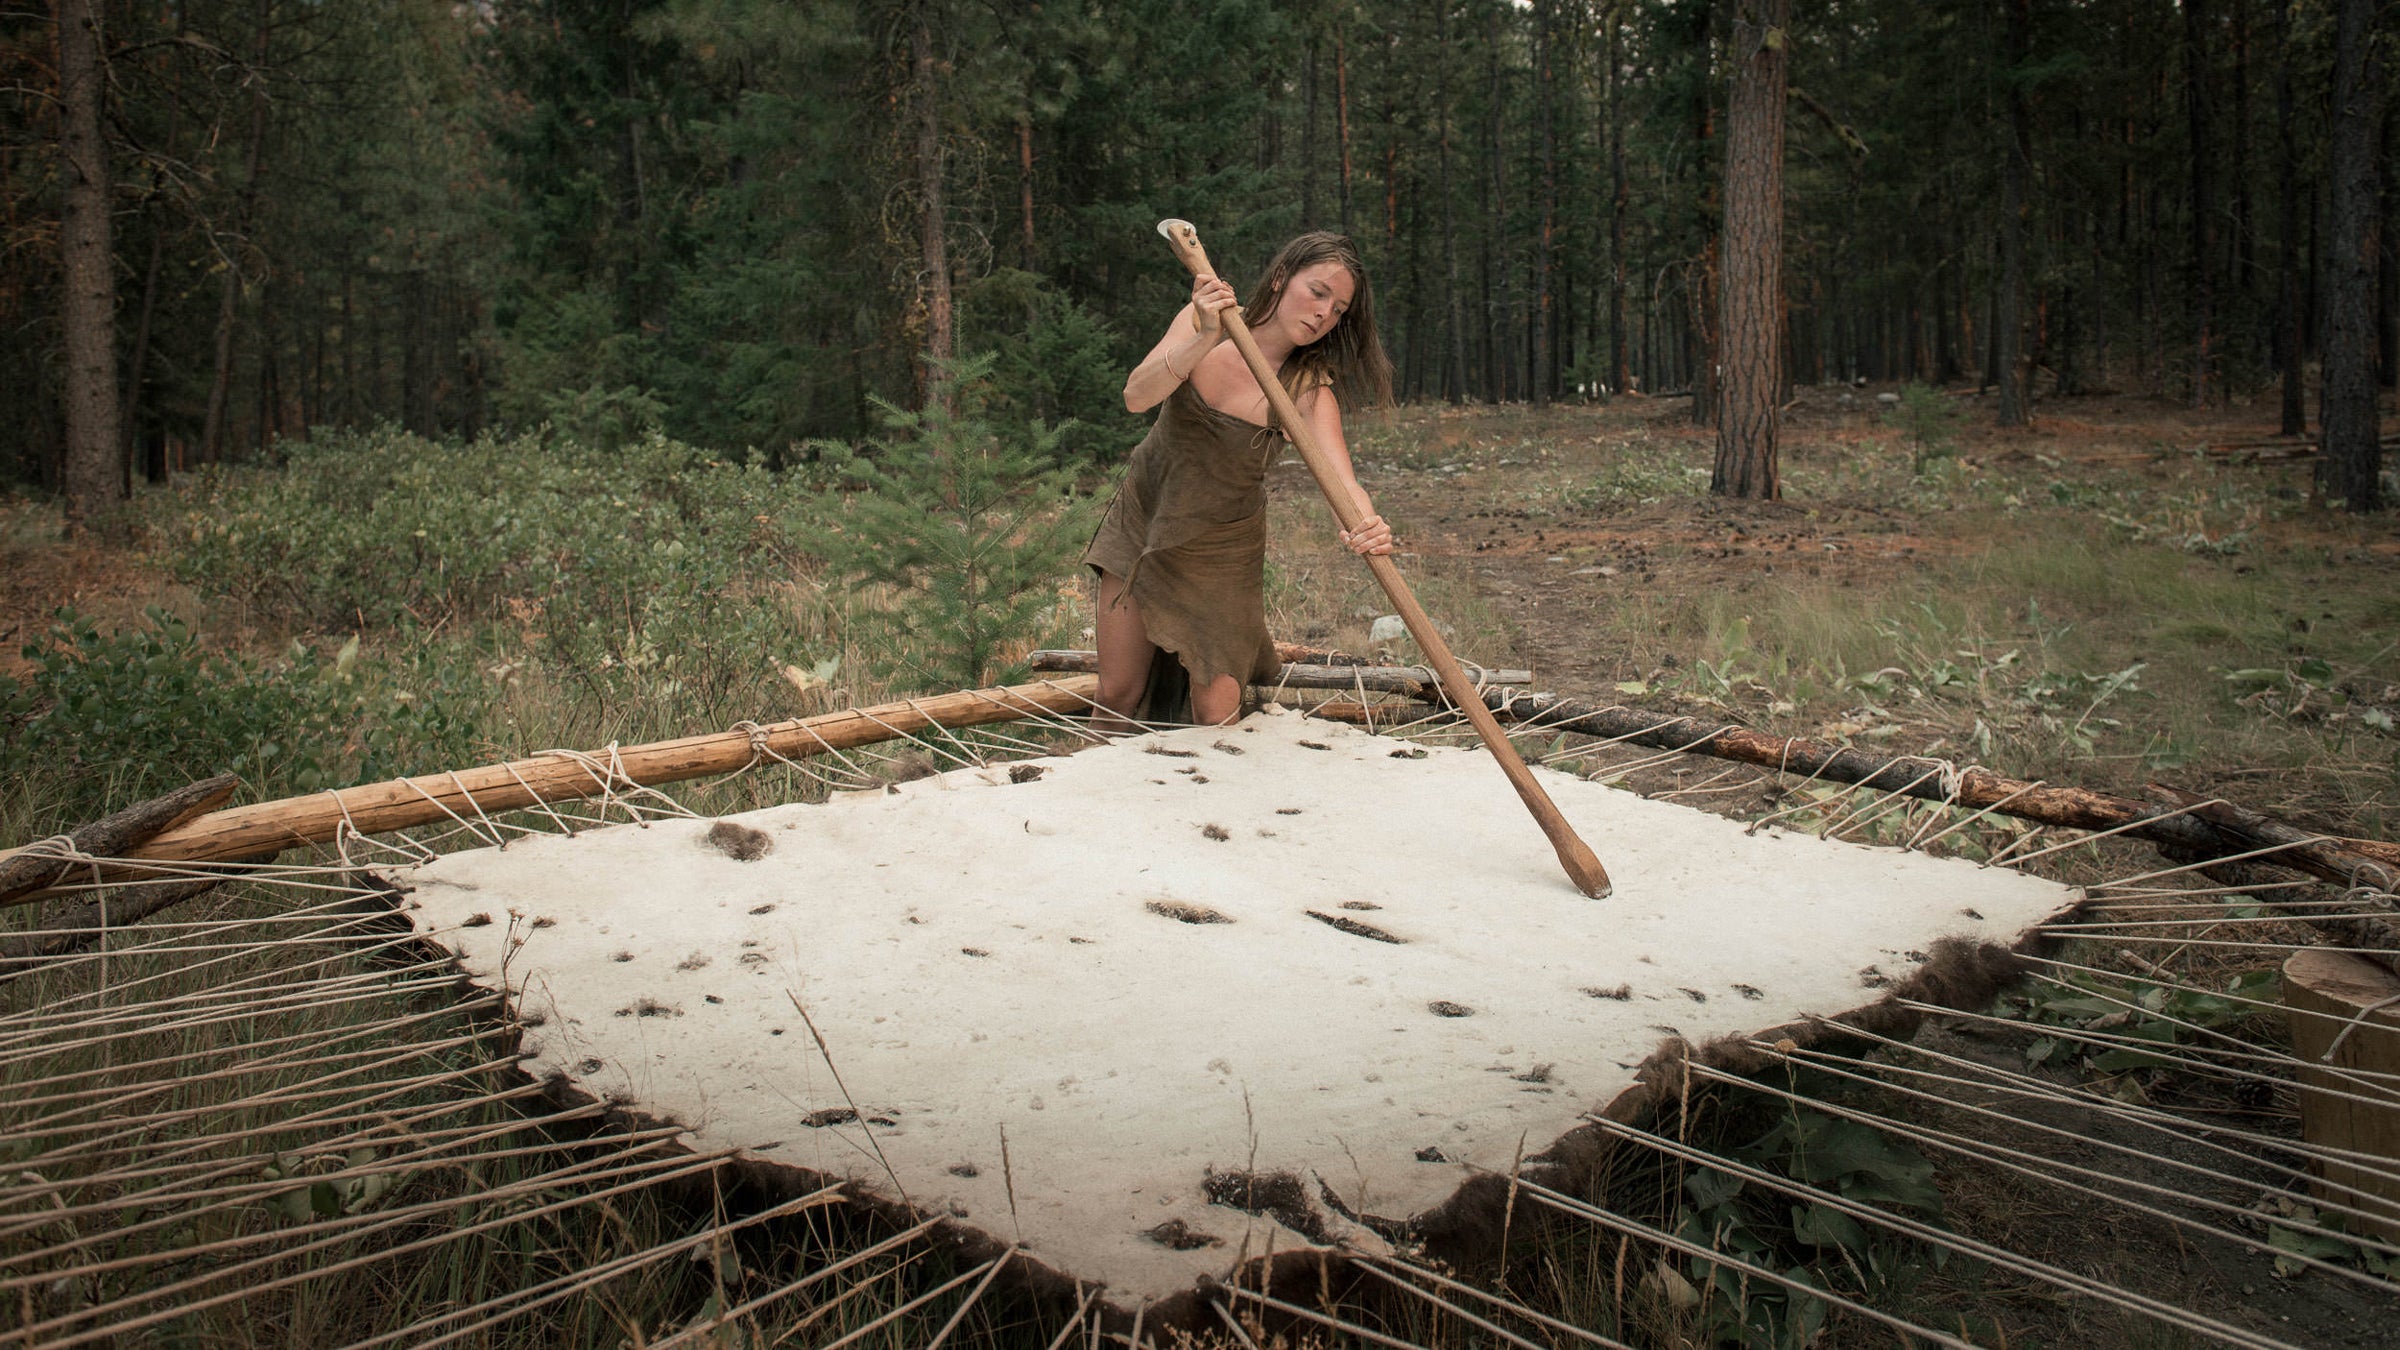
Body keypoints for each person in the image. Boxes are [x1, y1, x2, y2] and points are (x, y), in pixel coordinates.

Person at [1083, 231, 1397, 729]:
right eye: (1318, 292)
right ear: (1279, 279)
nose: (1324, 314)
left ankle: (1214, 804)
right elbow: (1137, 396)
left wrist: (1368, 524)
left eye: (1338, 309)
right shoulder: (1199, 322)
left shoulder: (1308, 390)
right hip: (1146, 519)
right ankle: (1094, 800)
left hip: (1222, 552)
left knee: (1216, 714)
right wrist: (1204, 337)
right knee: (1118, 691)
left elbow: (1342, 481)